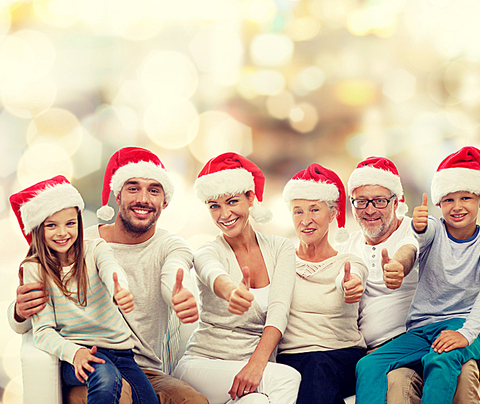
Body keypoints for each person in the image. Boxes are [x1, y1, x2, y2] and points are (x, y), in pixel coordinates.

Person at [8, 147, 208, 404]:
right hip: (87, 364)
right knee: (117, 392)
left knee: (193, 400)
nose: (143, 199)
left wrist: (177, 294)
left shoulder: (171, 246)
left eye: (154, 190)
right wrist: (20, 310)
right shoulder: (76, 241)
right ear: (117, 194)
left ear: (165, 201)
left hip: (142, 369)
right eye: (133, 188)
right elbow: (25, 322)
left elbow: (173, 273)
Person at [355, 146, 480, 404]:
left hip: (463, 326)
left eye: (465, 198)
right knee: (369, 364)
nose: (456, 207)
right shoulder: (433, 227)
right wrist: (416, 233)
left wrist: (466, 333)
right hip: (422, 330)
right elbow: (417, 240)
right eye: (448, 200)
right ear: (439, 203)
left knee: (440, 359)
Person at [9, 175, 159, 404]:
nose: (62, 233)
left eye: (70, 223)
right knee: (105, 378)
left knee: (148, 400)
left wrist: (119, 288)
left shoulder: (96, 248)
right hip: (78, 351)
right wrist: (74, 353)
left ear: (79, 222)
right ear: (38, 229)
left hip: (122, 353)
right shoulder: (35, 268)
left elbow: (111, 269)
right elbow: (43, 331)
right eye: (51, 225)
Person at [173, 152, 301, 404]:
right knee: (287, 379)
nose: (224, 214)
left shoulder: (281, 248)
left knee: (258, 402)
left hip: (250, 369)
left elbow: (279, 311)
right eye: (214, 206)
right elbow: (213, 274)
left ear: (250, 198)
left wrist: (256, 364)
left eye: (232, 201)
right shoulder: (207, 251)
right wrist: (231, 291)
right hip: (203, 365)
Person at [276, 163, 368, 404]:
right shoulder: (280, 263)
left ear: (332, 214)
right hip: (292, 358)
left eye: (314, 210)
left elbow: (351, 278)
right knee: (307, 375)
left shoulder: (349, 262)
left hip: (341, 355)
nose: (306, 220)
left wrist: (349, 285)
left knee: (318, 367)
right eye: (298, 211)